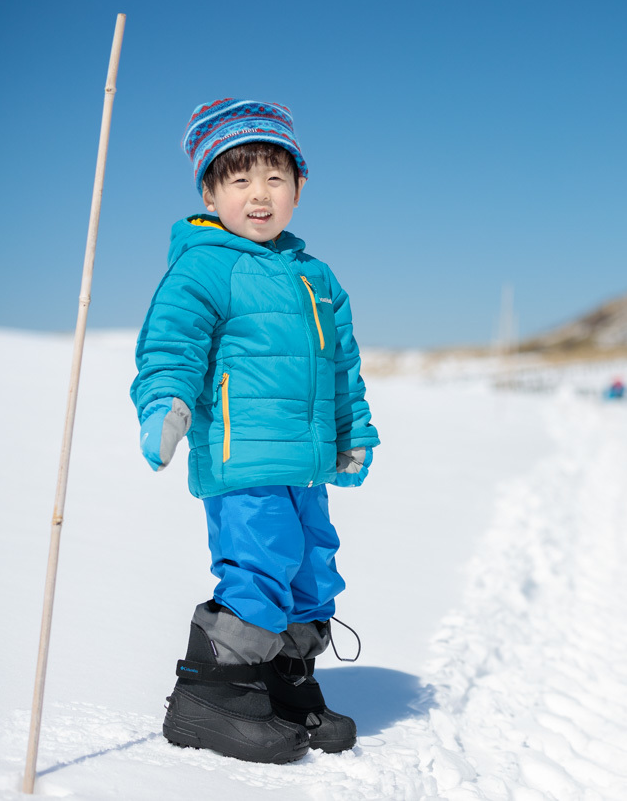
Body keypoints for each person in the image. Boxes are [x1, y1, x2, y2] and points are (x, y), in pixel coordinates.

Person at [131, 99, 379, 764]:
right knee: (259, 564)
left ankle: (283, 682)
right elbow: (168, 347)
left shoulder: (316, 277)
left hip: (305, 464)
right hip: (242, 461)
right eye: (239, 180)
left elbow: (341, 367)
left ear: (299, 188)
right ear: (211, 193)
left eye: (275, 178)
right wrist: (166, 406)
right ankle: (214, 695)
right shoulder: (204, 267)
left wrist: (351, 431)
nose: (259, 195)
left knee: (312, 569)